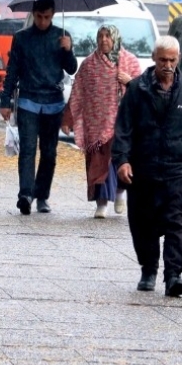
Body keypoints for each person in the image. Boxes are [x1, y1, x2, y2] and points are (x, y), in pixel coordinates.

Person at [111, 35, 182, 297]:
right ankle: (149, 268)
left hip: (179, 168)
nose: (168, 65)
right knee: (143, 223)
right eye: (163, 59)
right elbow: (123, 130)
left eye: (172, 60)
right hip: (144, 168)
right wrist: (122, 161)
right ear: (154, 59)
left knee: (178, 222)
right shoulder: (138, 89)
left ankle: (174, 274)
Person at [0, 0, 77, 215]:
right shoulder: (22, 38)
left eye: (47, 17)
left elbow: (71, 69)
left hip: (53, 102)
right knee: (27, 149)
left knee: (49, 152)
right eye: (39, 17)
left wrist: (68, 51)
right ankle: (25, 194)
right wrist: (5, 101)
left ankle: (42, 194)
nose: (43, 21)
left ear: (52, 15)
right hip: (28, 100)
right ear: (33, 15)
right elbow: (12, 70)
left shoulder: (62, 36)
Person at [61, 24, 142, 219]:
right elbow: (78, 92)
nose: (104, 40)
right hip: (96, 123)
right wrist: (68, 119)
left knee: (122, 159)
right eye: (100, 36)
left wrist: (129, 81)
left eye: (108, 36)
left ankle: (121, 191)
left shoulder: (129, 61)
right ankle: (102, 203)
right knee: (99, 162)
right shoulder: (89, 64)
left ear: (115, 38)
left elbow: (143, 90)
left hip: (123, 123)